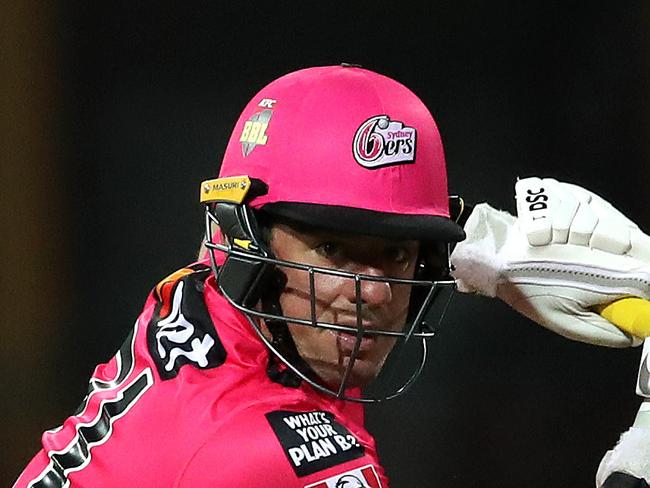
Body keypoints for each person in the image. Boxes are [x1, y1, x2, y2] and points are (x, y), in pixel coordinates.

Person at [13, 65, 649, 488]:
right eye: (335, 249)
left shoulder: (208, 303)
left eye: (397, 255)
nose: (370, 294)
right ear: (246, 241)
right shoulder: (272, 461)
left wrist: (482, 251)